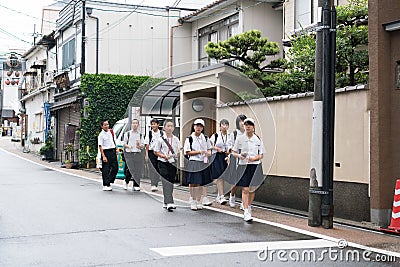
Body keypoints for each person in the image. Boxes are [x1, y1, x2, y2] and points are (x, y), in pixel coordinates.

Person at [231, 118, 265, 222]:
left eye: (250, 124)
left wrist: (254, 158)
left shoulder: (257, 139)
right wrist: (240, 156)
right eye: (246, 124)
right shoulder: (240, 138)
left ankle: (249, 206)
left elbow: (261, 154)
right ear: (244, 126)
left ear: (253, 126)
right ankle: (246, 211)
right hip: (243, 166)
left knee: (252, 188)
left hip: (255, 166)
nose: (248, 126)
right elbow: (233, 152)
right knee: (245, 188)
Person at [153, 120, 181, 211]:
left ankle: (166, 201)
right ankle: (169, 202)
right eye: (168, 126)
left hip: (172, 162)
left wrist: (177, 154)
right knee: (166, 181)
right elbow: (156, 151)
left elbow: (179, 150)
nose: (170, 128)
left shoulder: (176, 139)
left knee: (171, 182)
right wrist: (163, 156)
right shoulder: (161, 139)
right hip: (163, 162)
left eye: (172, 126)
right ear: (164, 128)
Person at [184, 119, 212, 211]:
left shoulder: (206, 138)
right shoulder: (189, 138)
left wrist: (208, 153)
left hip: (203, 162)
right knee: (193, 182)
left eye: (200, 126)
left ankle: (198, 200)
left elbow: (209, 149)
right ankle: (192, 200)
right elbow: (187, 152)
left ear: (203, 128)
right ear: (193, 126)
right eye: (197, 126)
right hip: (194, 162)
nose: (198, 128)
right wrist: (199, 152)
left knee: (200, 182)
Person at [209, 119, 233, 205]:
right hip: (217, 157)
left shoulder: (230, 136)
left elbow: (231, 145)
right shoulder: (215, 136)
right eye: (223, 125)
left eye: (226, 125)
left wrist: (229, 150)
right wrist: (217, 148)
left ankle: (219, 195)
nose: (225, 126)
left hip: (226, 157)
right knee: (220, 176)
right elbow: (209, 145)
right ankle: (222, 196)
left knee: (225, 176)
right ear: (220, 126)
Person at [227, 114, 247, 207]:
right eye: (240, 121)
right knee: (236, 181)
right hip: (235, 158)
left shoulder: (248, 133)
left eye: (244, 121)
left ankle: (244, 203)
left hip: (246, 158)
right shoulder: (234, 134)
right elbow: (229, 144)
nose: (242, 123)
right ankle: (232, 195)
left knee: (246, 180)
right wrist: (230, 148)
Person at [123, 119, 145, 191]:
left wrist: (140, 146)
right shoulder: (127, 133)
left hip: (138, 153)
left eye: (136, 123)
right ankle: (126, 181)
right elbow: (124, 143)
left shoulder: (140, 135)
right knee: (130, 169)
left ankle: (136, 184)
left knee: (138, 170)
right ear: (131, 124)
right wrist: (128, 146)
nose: (135, 124)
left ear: (138, 125)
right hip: (129, 153)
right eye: (133, 123)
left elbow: (142, 145)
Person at [98, 119, 118, 191]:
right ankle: (105, 184)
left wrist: (116, 149)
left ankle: (109, 181)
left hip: (113, 151)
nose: (107, 126)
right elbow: (100, 146)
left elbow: (114, 141)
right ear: (102, 126)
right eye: (105, 125)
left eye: (107, 124)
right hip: (106, 152)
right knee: (106, 169)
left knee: (115, 168)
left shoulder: (111, 132)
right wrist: (103, 156)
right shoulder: (101, 135)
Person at [145, 118, 164, 192]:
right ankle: (153, 184)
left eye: (154, 124)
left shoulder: (162, 133)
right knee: (152, 169)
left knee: (159, 168)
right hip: (151, 152)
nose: (153, 125)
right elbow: (147, 145)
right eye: (152, 124)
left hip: (159, 152)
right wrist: (146, 155)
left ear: (158, 125)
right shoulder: (149, 133)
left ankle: (156, 183)